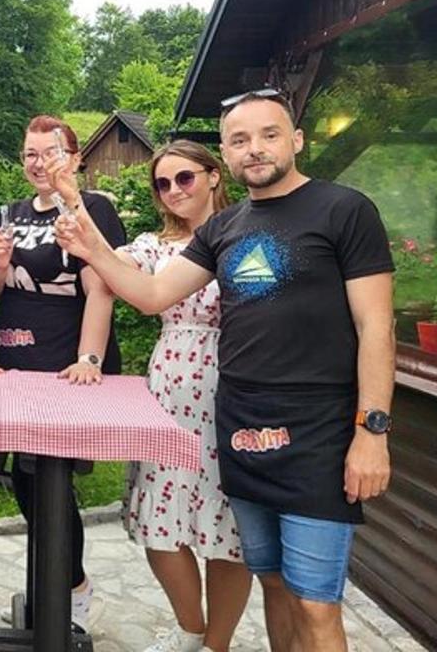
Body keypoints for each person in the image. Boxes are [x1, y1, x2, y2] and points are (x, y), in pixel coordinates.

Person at [52, 91, 395, 652]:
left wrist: (371, 431)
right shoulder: (225, 228)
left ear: (296, 140)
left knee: (315, 600)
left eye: (268, 135)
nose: (254, 149)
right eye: (239, 140)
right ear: (228, 155)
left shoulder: (344, 210)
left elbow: (376, 326)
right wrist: (91, 244)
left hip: (319, 432)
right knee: (274, 582)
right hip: (240, 427)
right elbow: (154, 293)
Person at [112, 140, 252, 652]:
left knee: (227, 526)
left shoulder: (246, 233)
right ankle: (190, 628)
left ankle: (218, 643)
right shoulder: (155, 245)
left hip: (236, 383)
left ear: (214, 176)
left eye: (185, 178)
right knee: (160, 518)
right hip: (170, 382)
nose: (173, 191)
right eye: (162, 183)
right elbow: (108, 269)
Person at [0, 115, 124, 634]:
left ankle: (74, 590)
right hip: (12, 363)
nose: (39, 162)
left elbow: (102, 289)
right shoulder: (14, 212)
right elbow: (0, 292)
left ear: (75, 158)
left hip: (64, 367)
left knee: (52, 482)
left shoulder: (95, 210)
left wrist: (89, 360)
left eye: (51, 152)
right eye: (30, 153)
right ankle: (50, 589)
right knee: (24, 480)